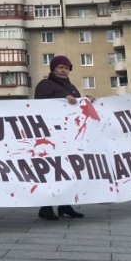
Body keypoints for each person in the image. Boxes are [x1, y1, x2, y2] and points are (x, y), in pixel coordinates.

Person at [34, 55, 86, 221]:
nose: (64, 70)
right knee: (52, 170)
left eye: (66, 68)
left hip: (68, 135)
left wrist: (86, 101)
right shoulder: (45, 84)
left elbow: (77, 107)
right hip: (51, 135)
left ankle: (65, 205)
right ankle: (46, 207)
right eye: (60, 67)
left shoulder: (71, 87)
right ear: (53, 69)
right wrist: (62, 100)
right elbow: (40, 104)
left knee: (68, 170)